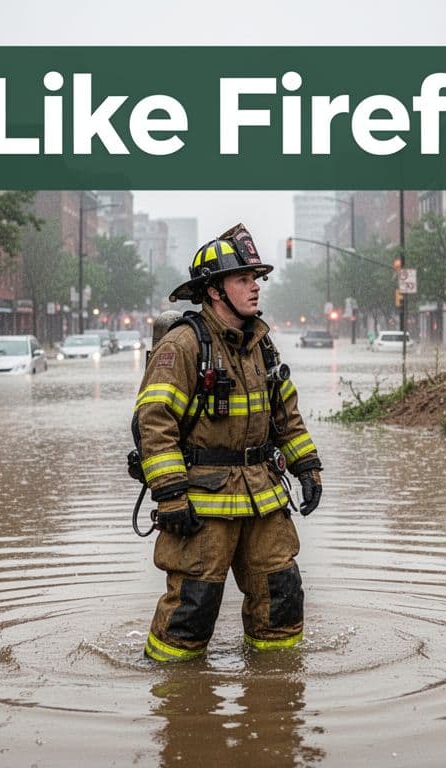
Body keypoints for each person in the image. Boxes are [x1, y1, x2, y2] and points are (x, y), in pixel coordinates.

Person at [131, 223, 323, 662]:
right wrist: (171, 495)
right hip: (202, 504)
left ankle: (276, 696)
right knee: (191, 612)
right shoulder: (182, 346)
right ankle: (176, 696)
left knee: (282, 598)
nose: (255, 287)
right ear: (215, 291)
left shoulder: (262, 345)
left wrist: (307, 467)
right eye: (244, 279)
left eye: (256, 278)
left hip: (263, 496)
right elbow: (154, 422)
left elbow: (286, 415)